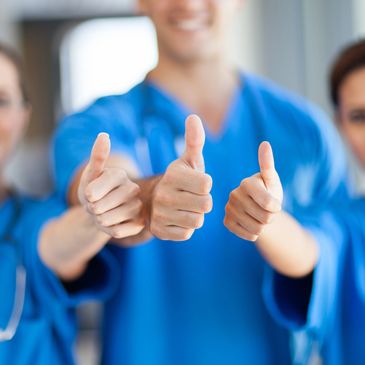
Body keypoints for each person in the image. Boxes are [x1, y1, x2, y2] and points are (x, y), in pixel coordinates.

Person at [51, 1, 349, 364]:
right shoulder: (91, 128)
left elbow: (331, 260)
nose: (188, 3)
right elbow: (103, 181)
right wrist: (145, 197)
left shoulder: (307, 133)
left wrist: (270, 223)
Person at [0, 43, 144, 364]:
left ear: (23, 116)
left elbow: (58, 242)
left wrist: (100, 214)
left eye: (1, 101)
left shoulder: (38, 219)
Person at [262, 39, 365, 365]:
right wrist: (265, 217)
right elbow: (306, 248)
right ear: (340, 126)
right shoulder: (344, 225)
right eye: (360, 116)